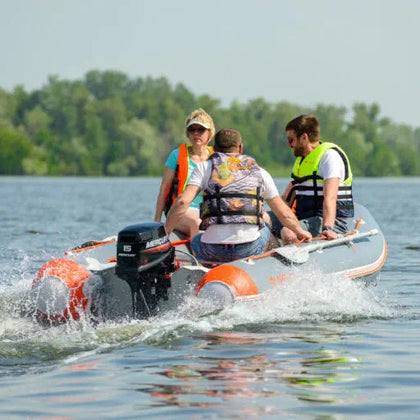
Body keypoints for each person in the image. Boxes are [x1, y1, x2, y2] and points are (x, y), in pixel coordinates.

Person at [165, 128, 311, 262]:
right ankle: (267, 269)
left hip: (212, 250)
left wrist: (165, 233)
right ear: (240, 148)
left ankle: (205, 269)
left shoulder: (204, 167)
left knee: (196, 239)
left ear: (214, 149)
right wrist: (299, 231)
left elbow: (182, 202)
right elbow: (283, 213)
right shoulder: (259, 171)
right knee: (266, 228)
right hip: (248, 249)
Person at [276, 114, 354, 244]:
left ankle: (291, 261)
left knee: (288, 232)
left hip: (331, 221)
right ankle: (264, 257)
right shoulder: (302, 161)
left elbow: (330, 197)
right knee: (264, 221)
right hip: (303, 219)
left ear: (304, 137)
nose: (289, 144)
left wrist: (327, 228)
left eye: (291, 140)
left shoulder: (330, 157)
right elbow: (285, 199)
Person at [154, 108, 215, 238]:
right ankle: (201, 257)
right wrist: (156, 222)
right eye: (192, 130)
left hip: (210, 211)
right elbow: (164, 190)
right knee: (198, 221)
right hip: (182, 212)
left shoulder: (217, 157)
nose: (196, 133)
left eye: (201, 130)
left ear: (209, 133)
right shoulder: (176, 155)